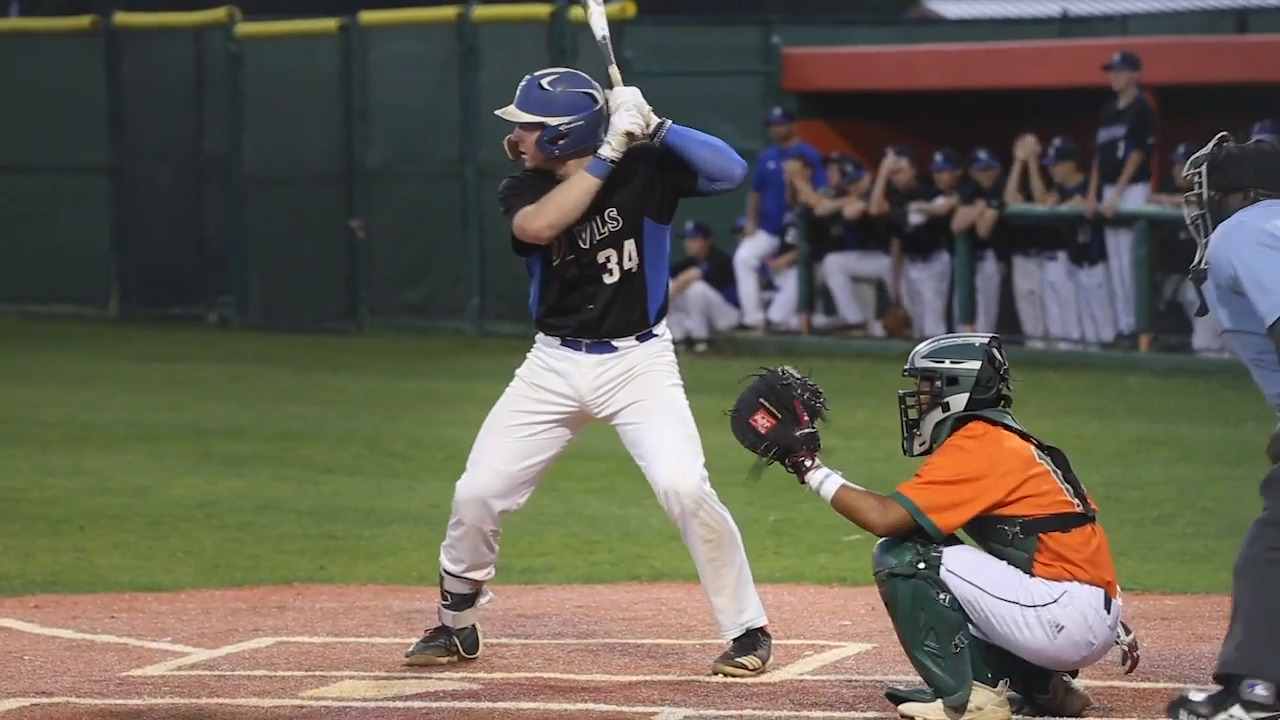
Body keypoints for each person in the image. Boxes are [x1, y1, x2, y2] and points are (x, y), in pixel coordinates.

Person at [403, 67, 774, 678]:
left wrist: (659, 126)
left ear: (562, 133)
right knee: (478, 493)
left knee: (684, 486)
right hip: (553, 363)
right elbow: (540, 227)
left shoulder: (646, 168)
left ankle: (747, 629)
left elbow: (730, 171)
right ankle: (456, 622)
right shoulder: (524, 188)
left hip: (639, 363)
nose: (519, 134)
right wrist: (606, 152)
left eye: (532, 125)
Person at [728, 332, 1137, 720]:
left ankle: (969, 700)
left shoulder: (980, 444)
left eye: (928, 385)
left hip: (1063, 616)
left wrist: (807, 467)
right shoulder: (1008, 439)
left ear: (956, 387)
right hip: (1085, 609)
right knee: (933, 542)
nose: (920, 397)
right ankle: (1043, 685)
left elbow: (884, 518)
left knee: (905, 555)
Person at [1166, 132, 1280, 720]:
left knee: (1270, 549)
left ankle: (1257, 692)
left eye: (1210, 190)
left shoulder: (1249, 229)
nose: (1201, 203)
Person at [1086, 49, 1157, 345]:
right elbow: (1099, 156)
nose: (1113, 75)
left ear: (1135, 74)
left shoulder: (1142, 108)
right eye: (1112, 70)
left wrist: (1116, 195)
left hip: (1132, 189)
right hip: (1108, 188)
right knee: (1115, 262)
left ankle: (1139, 330)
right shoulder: (1107, 110)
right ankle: (1123, 328)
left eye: (1120, 70)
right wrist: (1093, 193)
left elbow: (1138, 154)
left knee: (1131, 261)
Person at [734, 107, 826, 332]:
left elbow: (821, 189)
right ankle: (753, 319)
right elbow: (755, 193)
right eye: (773, 125)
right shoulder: (767, 156)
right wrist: (751, 222)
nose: (776, 129)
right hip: (770, 228)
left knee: (795, 274)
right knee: (743, 257)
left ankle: (800, 320)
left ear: (793, 125)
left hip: (799, 230)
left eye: (781, 124)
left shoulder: (809, 154)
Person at [1147, 142, 1227, 357]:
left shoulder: (1215, 191)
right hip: (1193, 280)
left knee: (1212, 344)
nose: (1176, 170)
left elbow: (1200, 200)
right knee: (1207, 343)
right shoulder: (1176, 193)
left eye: (1181, 165)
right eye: (1175, 164)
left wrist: (1166, 200)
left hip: (1217, 280)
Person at [1039, 136, 1117, 351]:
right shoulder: (1059, 192)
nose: (1051, 170)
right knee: (1085, 334)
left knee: (1104, 333)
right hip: (1074, 265)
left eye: (1055, 165)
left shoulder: (1094, 188)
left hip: (1099, 265)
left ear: (1070, 164)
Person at [871, 145, 957, 339]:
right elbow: (878, 213)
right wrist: (883, 172)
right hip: (910, 263)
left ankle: (938, 366)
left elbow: (947, 205)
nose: (896, 177)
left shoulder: (928, 190)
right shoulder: (893, 196)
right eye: (893, 174)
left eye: (900, 171)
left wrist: (919, 207)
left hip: (933, 262)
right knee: (915, 325)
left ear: (913, 170)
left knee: (933, 326)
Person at [668, 219, 739, 353]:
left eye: (694, 239)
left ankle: (701, 340)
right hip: (701, 316)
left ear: (707, 240)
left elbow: (688, 277)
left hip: (727, 316)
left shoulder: (720, 259)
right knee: (668, 286)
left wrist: (666, 298)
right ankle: (679, 339)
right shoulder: (686, 262)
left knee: (695, 288)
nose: (688, 243)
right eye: (687, 239)